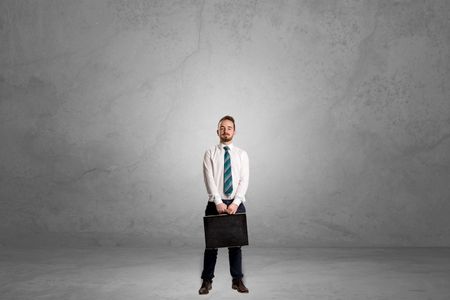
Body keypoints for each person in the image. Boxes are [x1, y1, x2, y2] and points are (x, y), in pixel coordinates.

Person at [199, 115, 250, 295]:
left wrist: (235, 203)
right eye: (222, 128)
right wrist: (219, 202)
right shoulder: (210, 153)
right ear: (217, 131)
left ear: (234, 131)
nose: (225, 131)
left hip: (236, 203)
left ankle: (237, 280)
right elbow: (209, 179)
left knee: (235, 245)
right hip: (216, 202)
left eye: (229, 128)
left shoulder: (242, 154)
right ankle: (206, 281)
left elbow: (244, 180)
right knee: (211, 246)